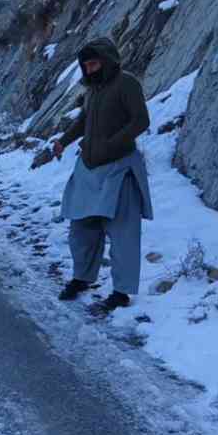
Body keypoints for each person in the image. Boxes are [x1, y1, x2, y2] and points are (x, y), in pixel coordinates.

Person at [53, 37, 153, 313]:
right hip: (89, 169)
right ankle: (82, 278)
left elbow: (141, 120)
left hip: (119, 168)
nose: (90, 69)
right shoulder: (93, 90)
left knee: (123, 234)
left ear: (107, 61)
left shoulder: (126, 83)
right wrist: (63, 141)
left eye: (95, 63)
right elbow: (84, 121)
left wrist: (113, 144)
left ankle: (121, 292)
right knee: (81, 229)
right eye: (86, 65)